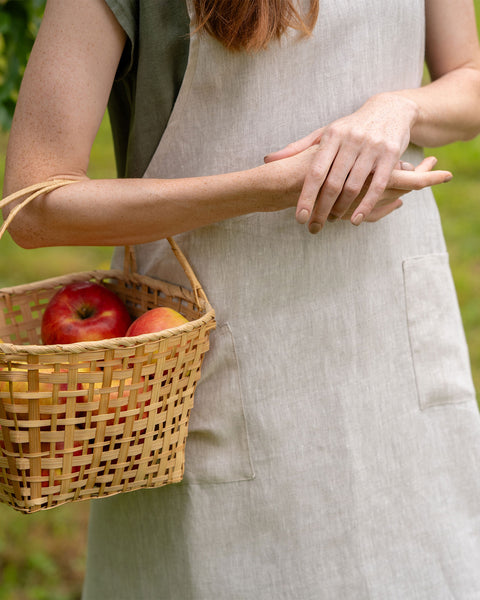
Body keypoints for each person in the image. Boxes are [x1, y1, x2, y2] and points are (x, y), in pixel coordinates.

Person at [4, 0, 480, 597]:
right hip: (223, 370)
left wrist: (400, 107)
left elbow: (469, 81)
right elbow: (33, 206)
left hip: (392, 359)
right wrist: (267, 188)